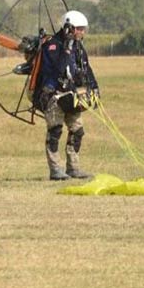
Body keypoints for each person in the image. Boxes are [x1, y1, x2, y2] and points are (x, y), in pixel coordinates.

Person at [37, 10, 100, 181]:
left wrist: (94, 88)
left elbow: (86, 68)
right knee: (55, 132)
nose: (82, 32)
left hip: (72, 95)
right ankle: (55, 169)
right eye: (79, 29)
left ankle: (73, 168)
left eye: (83, 29)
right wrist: (66, 49)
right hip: (53, 96)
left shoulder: (78, 47)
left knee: (77, 131)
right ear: (69, 28)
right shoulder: (53, 46)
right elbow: (57, 69)